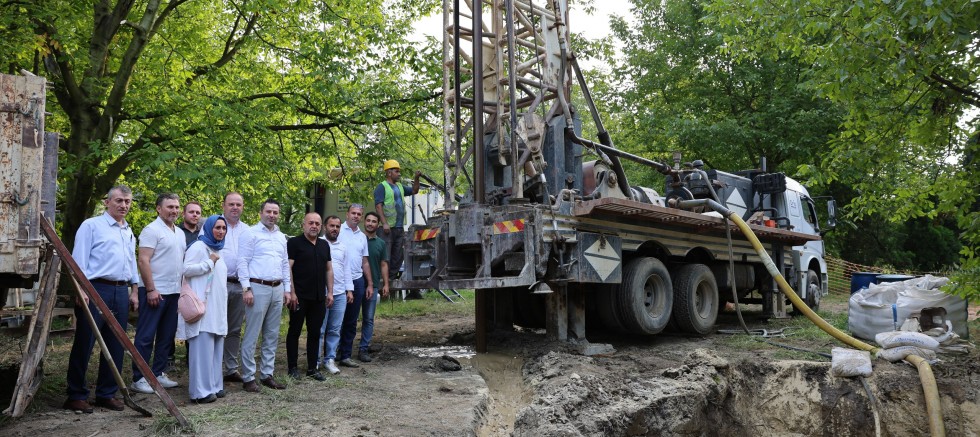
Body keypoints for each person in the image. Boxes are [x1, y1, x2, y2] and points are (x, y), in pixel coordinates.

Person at [64, 185, 140, 413]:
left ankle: (106, 393)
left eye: (127, 201)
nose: (123, 205)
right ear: (107, 202)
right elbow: (77, 261)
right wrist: (81, 290)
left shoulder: (128, 230)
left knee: (116, 343)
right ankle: (76, 395)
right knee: (85, 342)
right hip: (95, 289)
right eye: (119, 200)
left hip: (120, 291)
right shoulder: (91, 226)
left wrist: (134, 290)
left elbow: (131, 262)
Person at [130, 193, 185, 394]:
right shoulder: (151, 230)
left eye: (177, 207)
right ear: (159, 209)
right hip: (155, 291)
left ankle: (158, 373)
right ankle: (139, 378)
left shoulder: (179, 232)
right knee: (146, 336)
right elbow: (143, 260)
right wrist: (151, 289)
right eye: (170, 207)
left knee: (166, 336)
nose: (174, 211)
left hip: (174, 291)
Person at [237, 199, 292, 391]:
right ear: (261, 213)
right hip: (257, 287)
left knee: (272, 334)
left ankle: (267, 374)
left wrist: (287, 289)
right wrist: (246, 288)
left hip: (277, 287)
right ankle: (248, 377)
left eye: (275, 212)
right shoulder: (250, 233)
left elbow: (285, 263)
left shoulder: (281, 237)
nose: (272, 215)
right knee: (252, 334)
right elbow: (242, 262)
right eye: (268, 211)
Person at [178, 215, 229, 404]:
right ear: (208, 228)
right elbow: (186, 270)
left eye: (223, 228)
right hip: (202, 306)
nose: (221, 231)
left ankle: (215, 385)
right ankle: (200, 391)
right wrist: (209, 263)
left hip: (217, 307)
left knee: (215, 348)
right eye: (217, 227)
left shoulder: (218, 249)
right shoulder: (198, 247)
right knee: (202, 349)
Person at [285, 212, 333, 381]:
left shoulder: (324, 245)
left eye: (317, 224)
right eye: (311, 223)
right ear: (303, 225)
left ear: (321, 226)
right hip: (299, 296)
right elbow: (288, 268)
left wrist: (330, 292)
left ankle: (312, 368)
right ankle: (292, 367)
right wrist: (292, 292)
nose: (314, 226)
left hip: (319, 297)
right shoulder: (294, 243)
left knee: (315, 333)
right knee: (295, 331)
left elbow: (329, 269)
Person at [373, 160, 420, 287]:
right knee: (386, 257)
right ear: (389, 173)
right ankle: (382, 283)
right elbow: (378, 206)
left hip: (399, 228)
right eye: (396, 171)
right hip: (386, 229)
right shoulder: (382, 187)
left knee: (398, 256)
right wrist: (384, 223)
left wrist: (416, 178)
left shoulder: (400, 186)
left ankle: (391, 281)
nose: (399, 174)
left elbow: (415, 190)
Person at [337, 204, 373, 367]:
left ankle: (345, 355)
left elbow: (365, 262)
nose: (356, 216)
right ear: (347, 214)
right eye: (353, 213)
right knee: (336, 320)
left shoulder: (362, 236)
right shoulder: (338, 230)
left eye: (359, 214)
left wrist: (369, 283)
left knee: (351, 320)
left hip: (357, 280)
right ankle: (332, 353)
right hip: (339, 281)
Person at [220, 192, 250, 384]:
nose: (235, 207)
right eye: (231, 204)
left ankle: (231, 368)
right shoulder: (215, 225)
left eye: (238, 204)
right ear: (223, 205)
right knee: (216, 328)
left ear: (243, 207)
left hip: (240, 286)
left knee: (234, 328)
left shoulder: (248, 230)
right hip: (219, 285)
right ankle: (214, 368)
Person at [319, 215, 353, 375]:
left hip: (339, 294)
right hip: (321, 293)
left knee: (334, 329)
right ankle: (316, 360)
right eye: (331, 226)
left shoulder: (343, 247)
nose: (334, 229)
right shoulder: (318, 243)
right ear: (325, 227)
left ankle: (330, 359)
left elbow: (347, 269)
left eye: (337, 226)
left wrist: (349, 290)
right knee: (320, 329)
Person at [359, 212, 389, 361]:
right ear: (364, 222)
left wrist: (386, 284)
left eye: (374, 221)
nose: (370, 223)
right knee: (348, 318)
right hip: (355, 284)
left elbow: (383, 264)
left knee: (368, 319)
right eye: (368, 221)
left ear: (378, 225)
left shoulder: (381, 243)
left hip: (374, 285)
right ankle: (342, 349)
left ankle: (363, 349)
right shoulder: (357, 239)